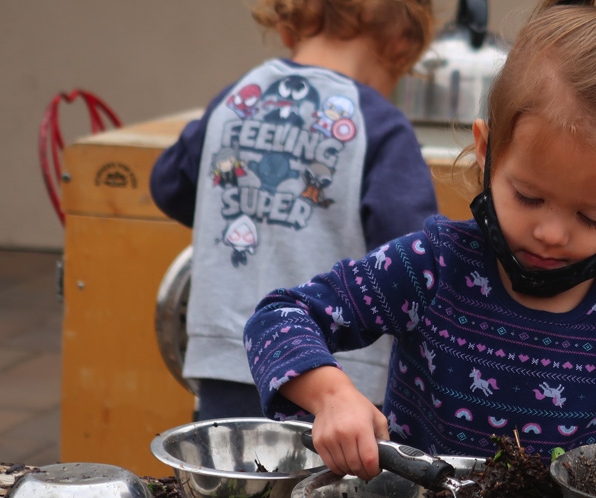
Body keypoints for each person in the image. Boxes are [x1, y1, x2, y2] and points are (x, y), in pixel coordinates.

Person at [244, 0, 596, 498]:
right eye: (529, 196)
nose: (551, 234)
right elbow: (279, 317)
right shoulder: (433, 265)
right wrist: (330, 395)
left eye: (593, 217)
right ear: (488, 151)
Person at [149, 0, 439, 419]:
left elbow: (169, 185)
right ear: (401, 43)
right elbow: (413, 256)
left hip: (226, 355)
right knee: (326, 485)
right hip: (334, 375)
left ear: (289, 28)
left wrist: (247, 213)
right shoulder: (380, 125)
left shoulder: (237, 100)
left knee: (233, 479)